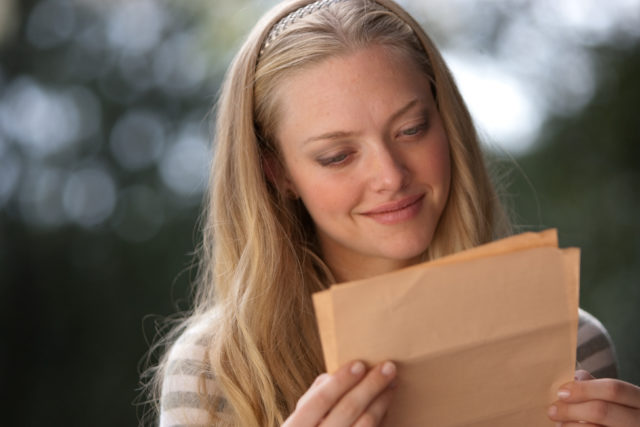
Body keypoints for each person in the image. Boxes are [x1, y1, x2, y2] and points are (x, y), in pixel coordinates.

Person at [149, 0, 640, 426]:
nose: (390, 175)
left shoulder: (572, 343)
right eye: (337, 156)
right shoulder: (216, 372)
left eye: (411, 129)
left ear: (444, 119)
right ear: (277, 174)